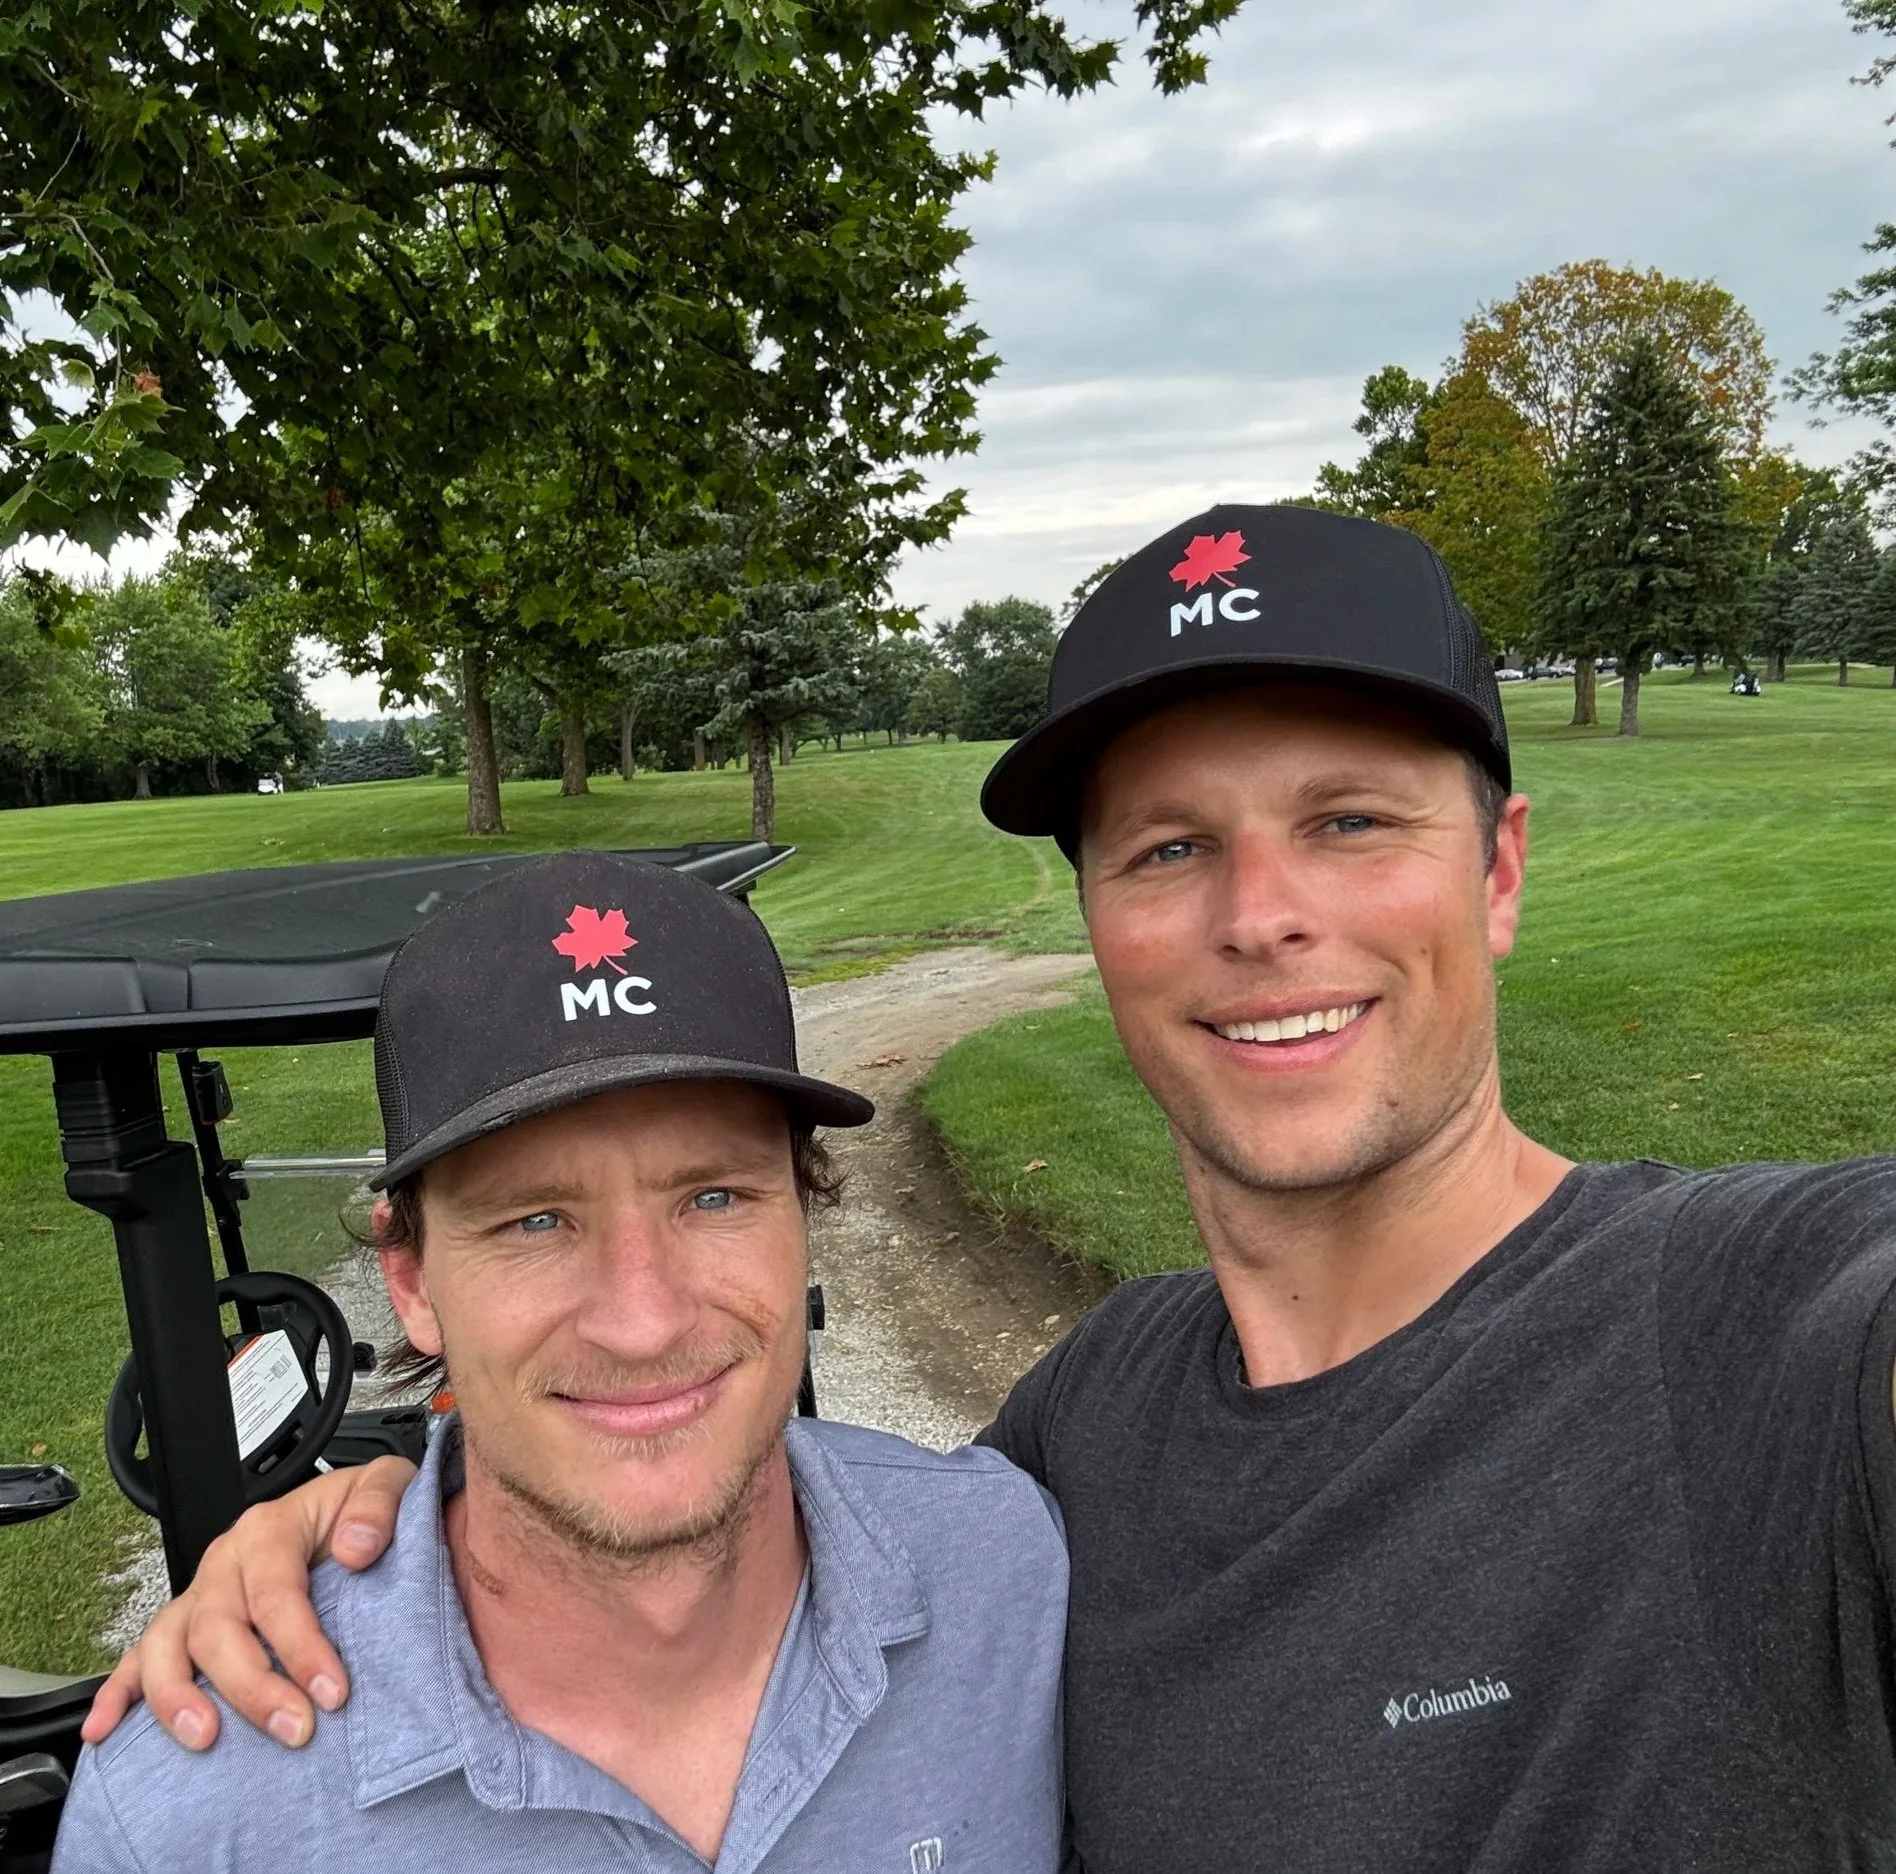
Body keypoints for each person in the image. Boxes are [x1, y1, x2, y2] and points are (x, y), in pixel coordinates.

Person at [89, 505, 1896, 1868]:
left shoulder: (1757, 1339)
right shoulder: (1064, 1464)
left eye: (1349, 818)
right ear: (1098, 918)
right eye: (1172, 844)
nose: (1261, 912)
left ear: (1497, 868)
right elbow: (661, 1471)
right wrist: (363, 1520)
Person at [57, 853, 1068, 1872]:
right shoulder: (181, 1813)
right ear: (411, 1282)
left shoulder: (1012, 1570)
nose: (642, 1320)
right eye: (535, 1218)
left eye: (713, 1195)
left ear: (803, 1215)